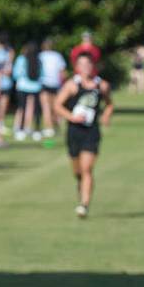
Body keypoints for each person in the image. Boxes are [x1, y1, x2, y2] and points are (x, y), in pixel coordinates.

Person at [54, 54, 113, 218]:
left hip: (91, 132)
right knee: (78, 171)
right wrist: (71, 116)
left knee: (87, 169)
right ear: (77, 67)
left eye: (88, 64)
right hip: (74, 132)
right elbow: (57, 105)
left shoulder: (102, 85)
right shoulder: (72, 85)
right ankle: (81, 189)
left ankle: (84, 204)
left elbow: (109, 104)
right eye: (82, 64)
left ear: (93, 66)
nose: (85, 67)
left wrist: (106, 115)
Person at [12, 42, 43, 141]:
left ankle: (21, 130)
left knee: (23, 108)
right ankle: (37, 130)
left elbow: (16, 74)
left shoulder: (21, 59)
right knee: (37, 110)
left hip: (23, 86)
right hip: (36, 87)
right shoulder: (39, 60)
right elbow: (42, 73)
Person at [38, 39, 67, 139]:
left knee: (46, 106)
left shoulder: (40, 56)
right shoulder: (57, 56)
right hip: (55, 83)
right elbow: (62, 72)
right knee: (56, 106)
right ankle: (56, 126)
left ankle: (49, 128)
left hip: (44, 83)